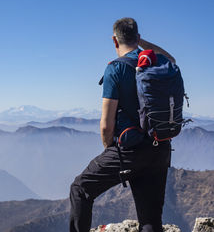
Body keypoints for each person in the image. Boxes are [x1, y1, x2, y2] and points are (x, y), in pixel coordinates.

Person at [69, 18, 173, 232]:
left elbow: (107, 124)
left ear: (115, 41)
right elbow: (171, 57)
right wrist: (142, 42)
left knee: (80, 189)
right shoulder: (160, 62)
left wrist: (110, 149)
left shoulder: (115, 69)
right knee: (150, 220)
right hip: (160, 148)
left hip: (129, 151)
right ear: (137, 37)